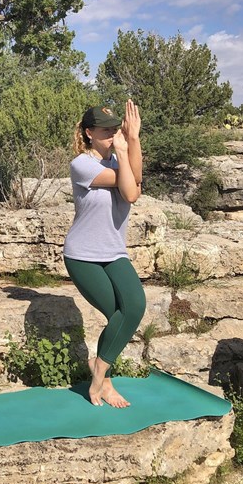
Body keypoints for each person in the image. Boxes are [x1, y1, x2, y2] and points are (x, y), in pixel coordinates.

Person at [63, 100, 145, 408]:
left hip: (113, 251)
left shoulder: (120, 158)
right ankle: (105, 382)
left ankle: (99, 368)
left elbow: (134, 188)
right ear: (89, 133)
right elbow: (129, 188)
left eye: (116, 130)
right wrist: (125, 152)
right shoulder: (82, 165)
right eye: (105, 131)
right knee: (117, 316)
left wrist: (133, 139)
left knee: (135, 305)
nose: (113, 135)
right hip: (82, 255)